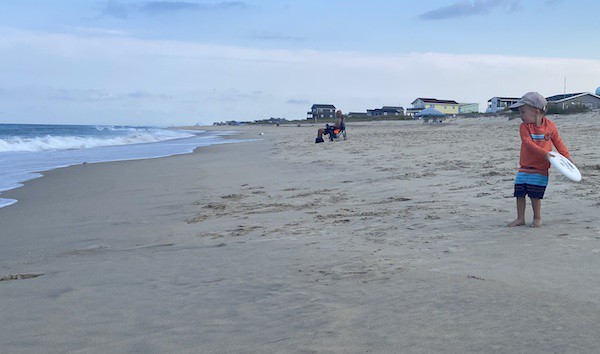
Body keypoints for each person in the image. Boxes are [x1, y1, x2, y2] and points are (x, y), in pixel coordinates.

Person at [507, 91, 572, 228]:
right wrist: (545, 153)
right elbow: (528, 144)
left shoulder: (550, 127)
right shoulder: (524, 127)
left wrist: (566, 158)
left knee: (535, 195)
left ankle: (537, 218)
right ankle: (520, 218)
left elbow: (558, 142)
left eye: (523, 112)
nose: (521, 116)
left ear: (536, 111)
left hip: (540, 169)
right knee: (519, 193)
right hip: (524, 166)